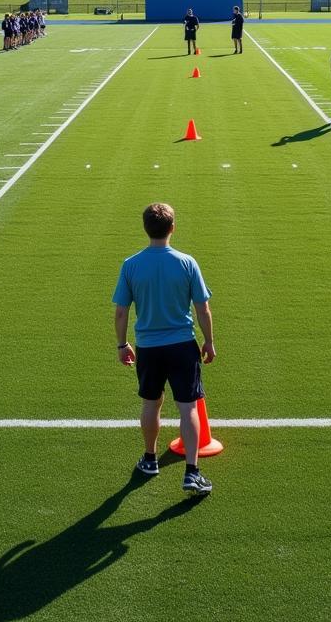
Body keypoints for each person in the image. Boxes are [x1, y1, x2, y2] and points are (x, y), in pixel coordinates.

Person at [112, 202, 215, 497]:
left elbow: (121, 312)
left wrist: (122, 344)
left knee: (151, 403)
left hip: (149, 348)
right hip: (183, 345)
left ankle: (149, 459)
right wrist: (208, 341)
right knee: (188, 407)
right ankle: (192, 472)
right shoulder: (186, 262)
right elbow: (202, 308)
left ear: (146, 228)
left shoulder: (131, 265)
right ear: (172, 228)